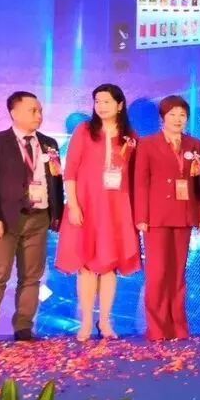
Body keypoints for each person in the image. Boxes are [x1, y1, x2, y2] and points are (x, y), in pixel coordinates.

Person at [0, 91, 64, 346]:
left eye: (40, 110)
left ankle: (24, 327)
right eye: (32, 110)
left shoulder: (49, 143)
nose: (39, 115)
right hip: (5, 219)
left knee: (32, 277)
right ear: (14, 113)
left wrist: (57, 214)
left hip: (39, 218)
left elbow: (56, 180)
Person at [56, 83, 141, 341]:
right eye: (97, 102)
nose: (101, 106)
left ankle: (105, 322)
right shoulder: (84, 131)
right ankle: (85, 323)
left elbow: (135, 177)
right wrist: (73, 205)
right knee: (86, 265)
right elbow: (70, 171)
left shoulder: (130, 136)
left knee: (109, 265)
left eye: (106, 101)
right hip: (86, 205)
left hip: (116, 208)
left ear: (120, 105)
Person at [133, 95, 200, 341]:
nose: (177, 119)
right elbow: (140, 183)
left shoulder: (194, 144)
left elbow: (199, 184)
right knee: (157, 274)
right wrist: (141, 216)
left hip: (184, 214)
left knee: (178, 274)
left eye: (182, 115)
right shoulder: (147, 144)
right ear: (162, 118)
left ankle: (179, 328)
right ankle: (157, 328)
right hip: (156, 217)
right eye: (172, 114)